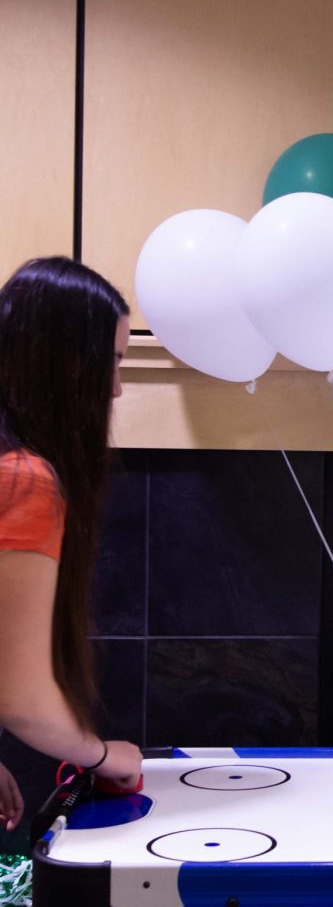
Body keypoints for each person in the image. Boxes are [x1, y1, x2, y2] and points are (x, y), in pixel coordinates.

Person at [0, 257, 143, 832]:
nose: (116, 387)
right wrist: (106, 755)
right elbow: (24, 699)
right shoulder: (24, 480)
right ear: (65, 362)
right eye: (109, 361)